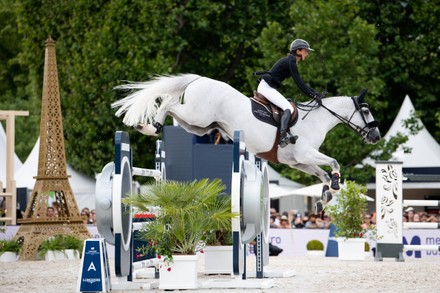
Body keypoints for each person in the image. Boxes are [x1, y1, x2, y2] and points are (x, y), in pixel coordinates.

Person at [256, 38, 324, 148]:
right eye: (305, 51)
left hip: (268, 87)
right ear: (298, 51)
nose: (307, 53)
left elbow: (301, 82)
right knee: (288, 108)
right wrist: (313, 95)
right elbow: (300, 83)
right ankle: (282, 137)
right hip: (266, 87)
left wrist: (315, 93)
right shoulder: (291, 62)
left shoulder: (290, 61)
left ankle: (284, 133)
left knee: (288, 105)